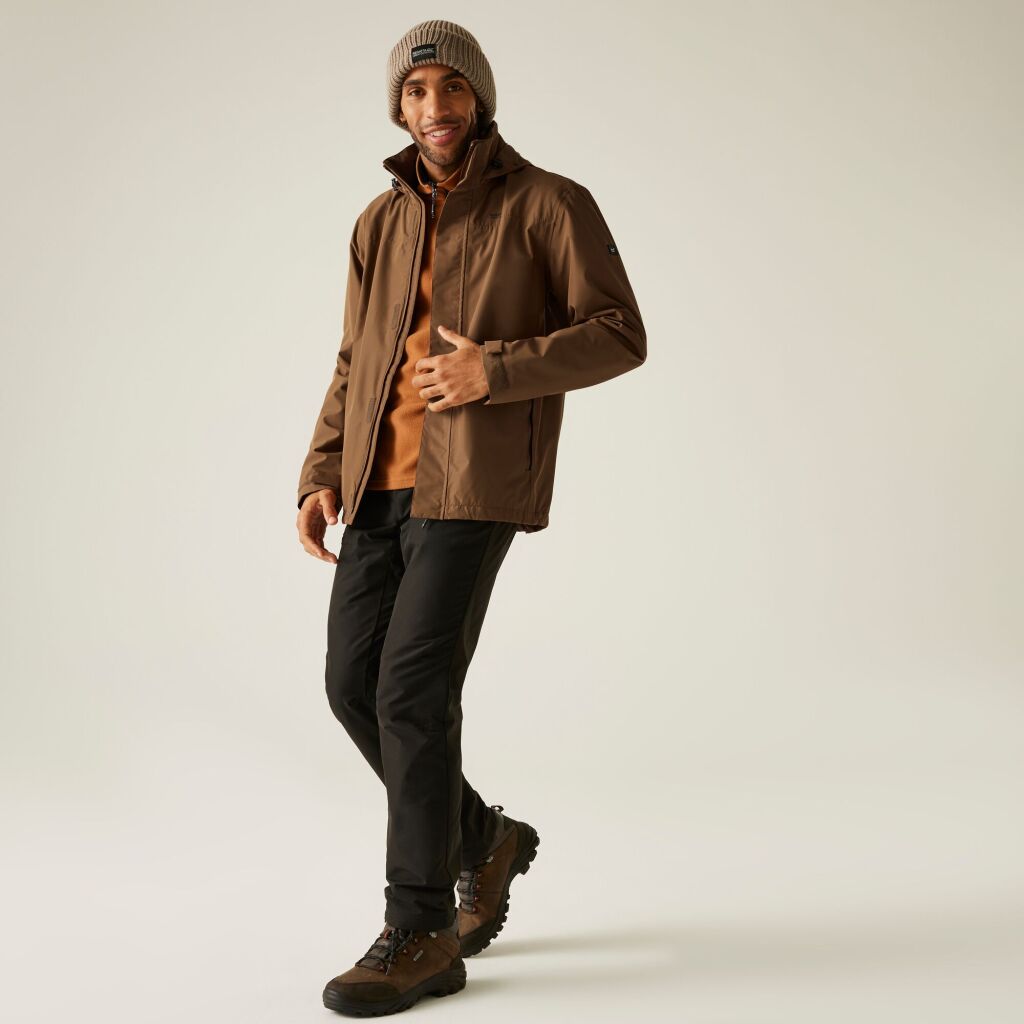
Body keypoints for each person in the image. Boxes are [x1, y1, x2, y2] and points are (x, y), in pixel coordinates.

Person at [294, 19, 646, 1017]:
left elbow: (619, 332)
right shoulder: (378, 221)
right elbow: (357, 357)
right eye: (415, 92)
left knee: (410, 691)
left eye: (451, 87)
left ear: (479, 97)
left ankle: (421, 931)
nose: (434, 107)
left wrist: (494, 369)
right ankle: (484, 839)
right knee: (352, 685)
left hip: (474, 483)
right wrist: (322, 468)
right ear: (397, 108)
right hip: (378, 483)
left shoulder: (547, 203)